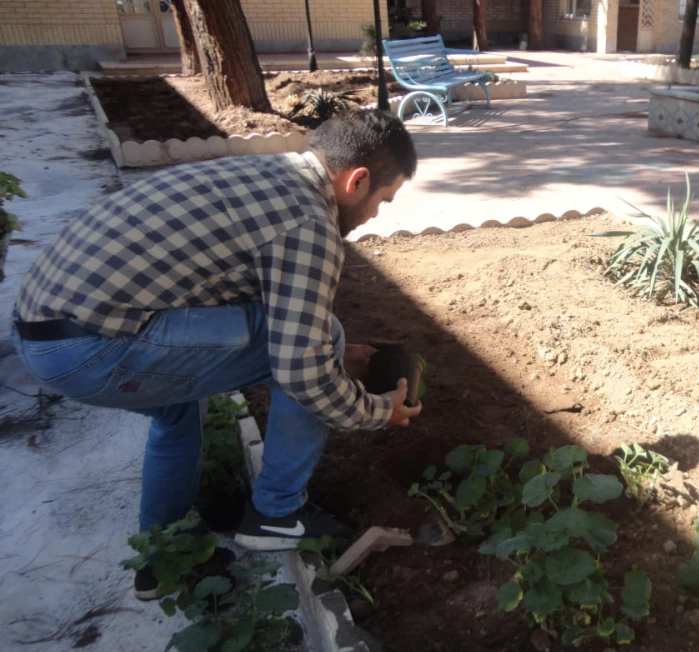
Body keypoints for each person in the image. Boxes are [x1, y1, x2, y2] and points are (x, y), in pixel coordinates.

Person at [11, 108, 421, 597]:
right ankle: (276, 514)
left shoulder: (264, 173)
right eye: (382, 200)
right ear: (358, 180)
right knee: (320, 342)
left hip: (42, 333)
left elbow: (221, 286)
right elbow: (303, 371)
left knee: (177, 415)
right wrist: (378, 410)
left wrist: (325, 352)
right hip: (92, 351)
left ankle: (160, 561)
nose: (375, 215)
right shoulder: (308, 223)